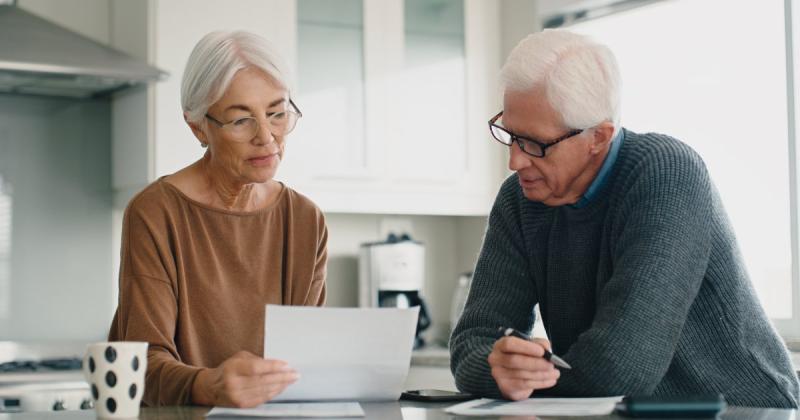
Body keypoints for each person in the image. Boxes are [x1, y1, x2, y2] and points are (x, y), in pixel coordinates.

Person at [449, 28, 799, 408]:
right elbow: (472, 342)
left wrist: (521, 382)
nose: (515, 161)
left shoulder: (667, 173)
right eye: (510, 135)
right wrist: (498, 369)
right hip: (615, 411)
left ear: (598, 137)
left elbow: (620, 367)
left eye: (535, 144)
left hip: (745, 410)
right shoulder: (520, 199)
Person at [108, 31, 328, 408]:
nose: (267, 137)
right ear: (197, 126)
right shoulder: (155, 212)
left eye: (277, 113)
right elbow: (140, 367)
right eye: (241, 120)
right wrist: (209, 385)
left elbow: (306, 362)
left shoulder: (305, 219)